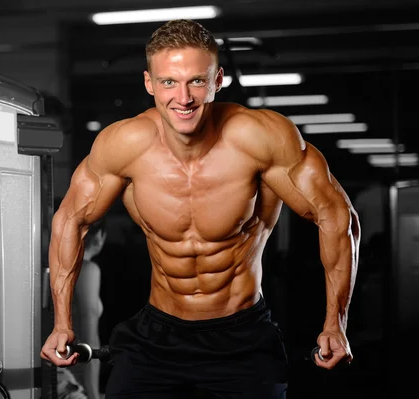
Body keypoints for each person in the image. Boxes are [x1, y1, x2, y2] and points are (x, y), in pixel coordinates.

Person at [41, 19, 360, 398]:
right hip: (158, 332)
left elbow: (337, 217)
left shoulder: (260, 138)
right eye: (168, 82)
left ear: (217, 80)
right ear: (149, 83)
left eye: (196, 80)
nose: (184, 97)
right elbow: (70, 221)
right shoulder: (124, 145)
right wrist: (62, 322)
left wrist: (335, 322)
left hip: (241, 334)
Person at [55, 218, 106, 399]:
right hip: (68, 377)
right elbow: (89, 340)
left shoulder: (62, 268)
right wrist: (93, 394)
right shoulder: (87, 270)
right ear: (100, 236)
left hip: (61, 374)